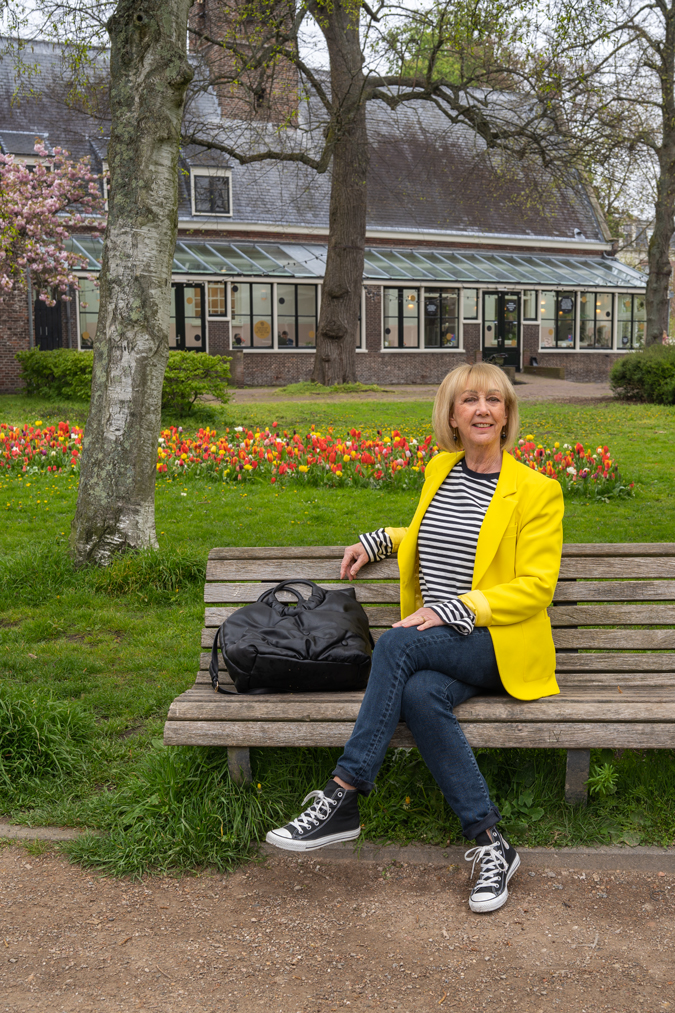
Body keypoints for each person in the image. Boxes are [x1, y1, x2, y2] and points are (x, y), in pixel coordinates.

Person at [265, 363, 564, 914]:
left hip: (498, 643)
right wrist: (381, 539)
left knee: (399, 644)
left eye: (494, 401)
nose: (482, 409)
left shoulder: (536, 491)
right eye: (470, 399)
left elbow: (536, 587)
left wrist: (457, 608)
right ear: (451, 415)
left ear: (507, 415)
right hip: (444, 644)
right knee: (421, 694)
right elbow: (439, 534)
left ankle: (344, 793)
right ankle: (491, 843)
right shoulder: (440, 470)